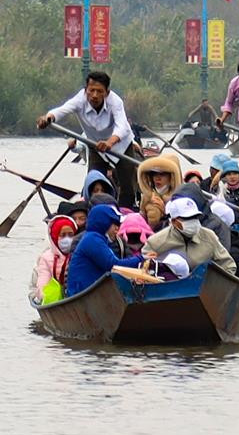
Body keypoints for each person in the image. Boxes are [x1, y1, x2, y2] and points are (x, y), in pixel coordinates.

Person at [40, 71, 137, 204]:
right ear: (86, 90)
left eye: (99, 91)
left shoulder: (115, 101)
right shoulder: (80, 100)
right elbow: (62, 110)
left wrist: (109, 143)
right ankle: (91, 210)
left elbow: (122, 127)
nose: (95, 96)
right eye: (92, 90)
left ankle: (127, 211)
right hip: (95, 146)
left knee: (127, 184)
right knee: (93, 180)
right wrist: (48, 118)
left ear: (106, 93)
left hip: (121, 145)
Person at [64, 202, 146, 296]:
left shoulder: (97, 239)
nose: (117, 229)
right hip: (82, 295)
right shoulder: (92, 240)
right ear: (103, 223)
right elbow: (114, 266)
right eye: (114, 224)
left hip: (90, 293)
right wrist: (142, 258)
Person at [143, 195, 234, 275]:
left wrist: (213, 283)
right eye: (187, 218)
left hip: (204, 290)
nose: (193, 221)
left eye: (195, 217)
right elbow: (143, 269)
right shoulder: (156, 242)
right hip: (169, 291)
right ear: (174, 221)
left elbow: (228, 266)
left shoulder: (209, 236)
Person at [32, 214, 78, 306]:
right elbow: (43, 283)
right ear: (55, 236)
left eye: (70, 234)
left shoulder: (79, 253)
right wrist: (45, 297)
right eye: (63, 235)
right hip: (56, 300)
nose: (67, 239)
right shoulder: (46, 258)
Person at [136, 153, 185, 231]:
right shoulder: (147, 197)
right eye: (154, 174)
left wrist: (165, 211)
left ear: (172, 177)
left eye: (162, 174)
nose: (157, 178)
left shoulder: (183, 197)